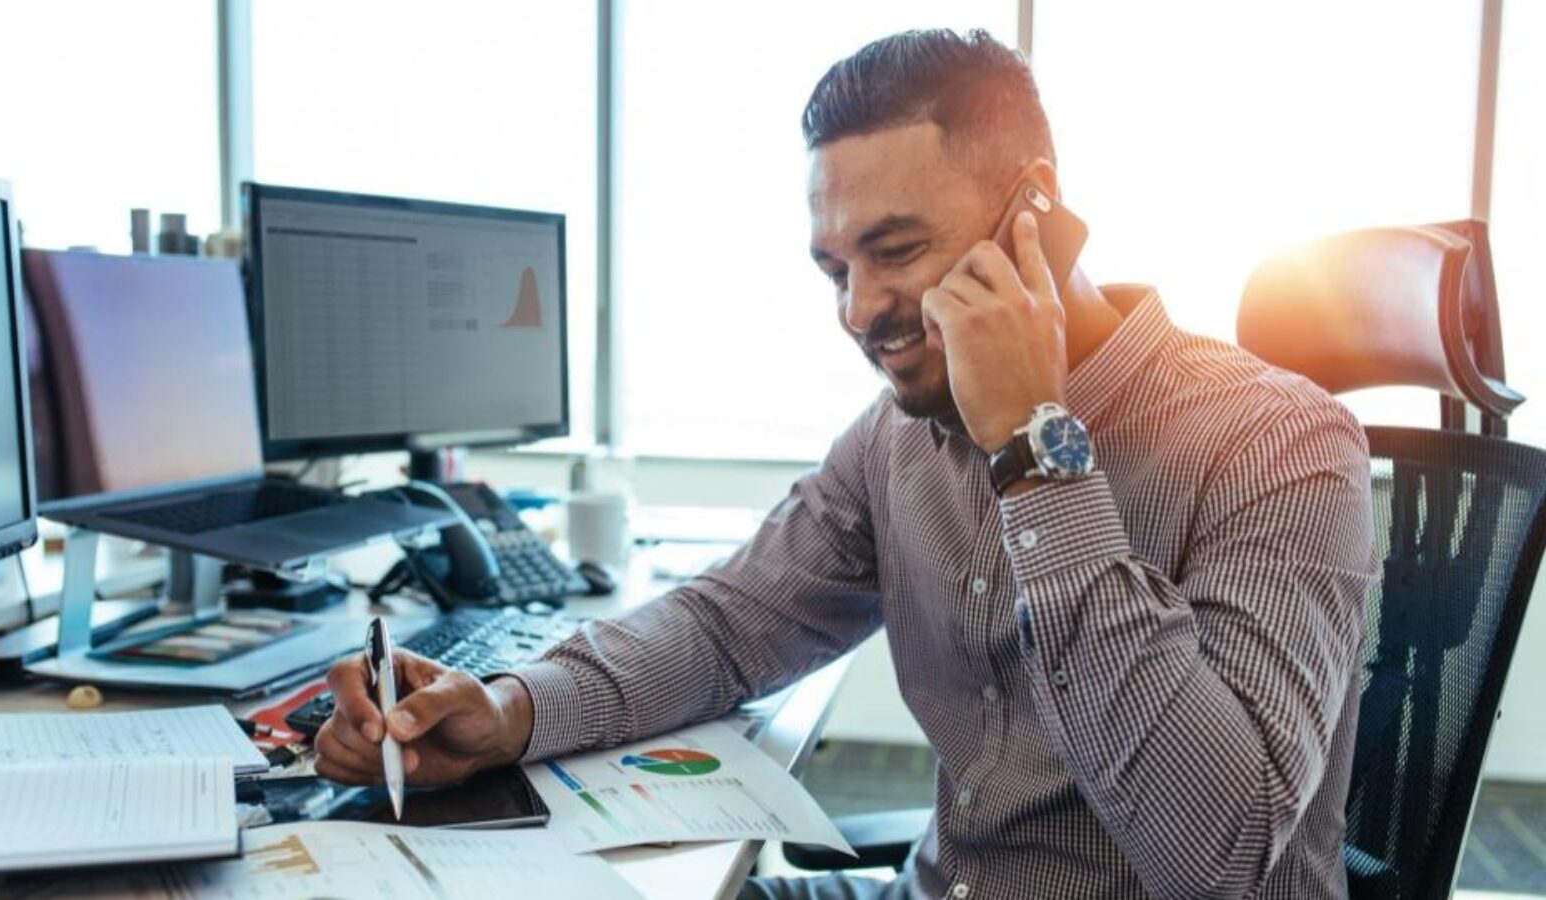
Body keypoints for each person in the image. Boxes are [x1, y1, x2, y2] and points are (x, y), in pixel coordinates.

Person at [316, 28, 1376, 899]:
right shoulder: (895, 439)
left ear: (1032, 212)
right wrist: (513, 708)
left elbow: (1222, 853)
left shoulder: (1277, 443)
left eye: (897, 251)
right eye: (834, 266)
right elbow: (728, 626)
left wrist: (1033, 450)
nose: (858, 309)